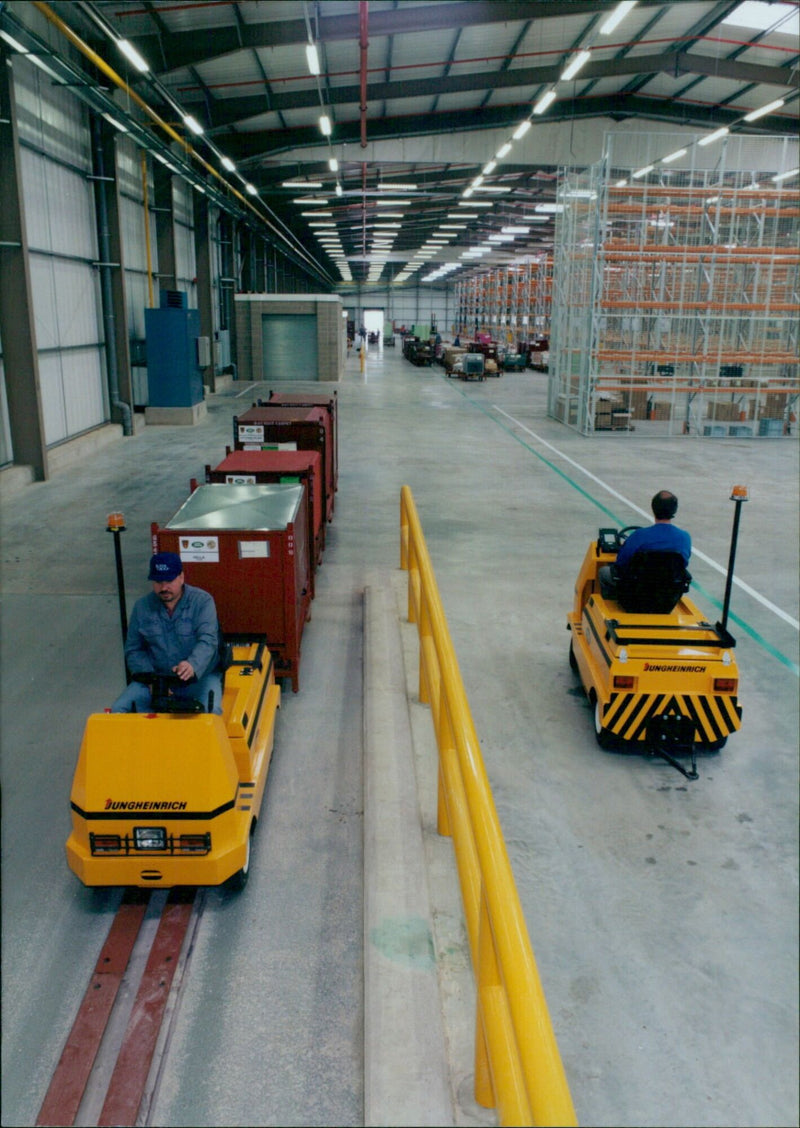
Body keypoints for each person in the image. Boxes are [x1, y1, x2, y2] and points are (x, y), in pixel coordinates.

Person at [111, 552, 224, 714]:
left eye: (169, 581)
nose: (164, 588)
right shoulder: (142, 607)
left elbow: (208, 640)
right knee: (119, 709)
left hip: (199, 679)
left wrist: (192, 664)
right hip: (155, 682)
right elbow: (134, 649)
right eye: (158, 582)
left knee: (211, 712)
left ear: (181, 577)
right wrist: (151, 680)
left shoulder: (202, 602)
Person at [615, 490, 691, 572]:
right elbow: (684, 563)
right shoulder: (684, 537)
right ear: (674, 510)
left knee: (604, 572)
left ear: (653, 508)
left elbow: (621, 561)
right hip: (671, 583)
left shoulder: (639, 536)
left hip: (641, 583)